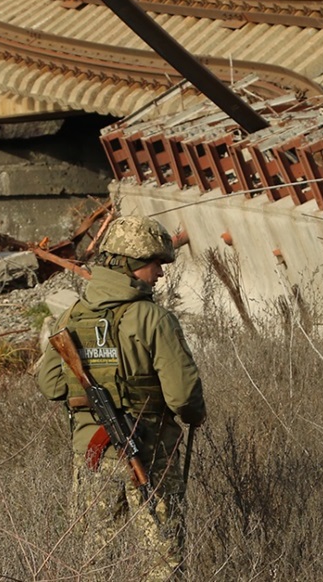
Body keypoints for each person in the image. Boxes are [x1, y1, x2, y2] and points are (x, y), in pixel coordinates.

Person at [36, 214, 206, 580]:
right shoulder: (153, 319)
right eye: (154, 263)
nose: (160, 273)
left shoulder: (72, 315)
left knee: (95, 562)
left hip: (93, 459)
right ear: (129, 265)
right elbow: (183, 397)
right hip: (150, 453)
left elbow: (50, 385)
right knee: (163, 560)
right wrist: (194, 415)